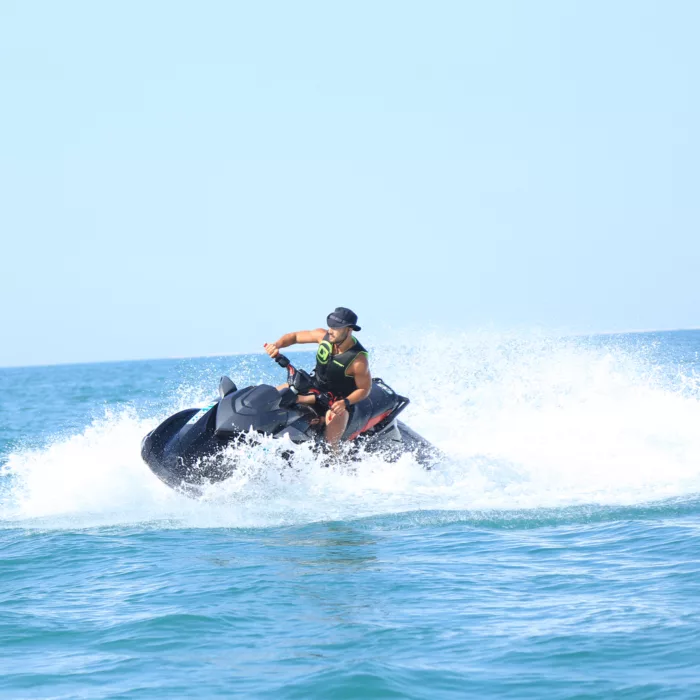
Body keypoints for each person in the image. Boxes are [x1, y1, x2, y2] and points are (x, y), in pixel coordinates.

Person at [265, 307, 372, 445]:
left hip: (337, 402)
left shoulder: (358, 360)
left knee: (330, 441)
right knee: (274, 395)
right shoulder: (323, 336)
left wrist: (344, 402)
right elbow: (295, 337)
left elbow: (364, 389)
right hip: (314, 387)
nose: (331, 331)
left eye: (336, 328)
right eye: (330, 326)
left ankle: (335, 462)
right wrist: (276, 345)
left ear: (349, 329)